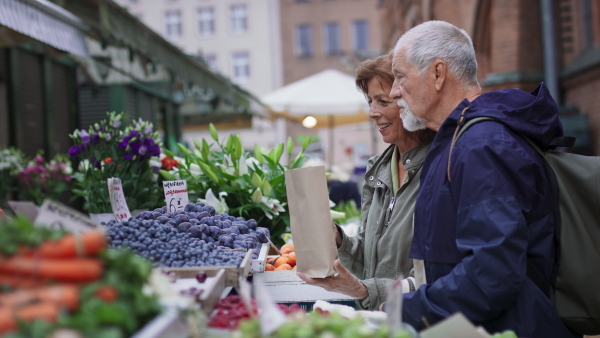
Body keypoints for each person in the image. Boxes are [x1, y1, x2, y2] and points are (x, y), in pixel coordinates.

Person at [386, 20, 578, 337]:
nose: (394, 92)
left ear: (437, 73)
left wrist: (408, 309)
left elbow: (493, 271)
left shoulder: (480, 146)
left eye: (400, 76)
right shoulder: (463, 139)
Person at [297, 52, 436, 310]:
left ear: (411, 100)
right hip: (377, 320)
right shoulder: (379, 170)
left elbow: (439, 281)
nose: (372, 112)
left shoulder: (438, 170)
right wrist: (338, 240)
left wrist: (363, 290)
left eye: (382, 101)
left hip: (415, 321)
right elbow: (372, 262)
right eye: (370, 101)